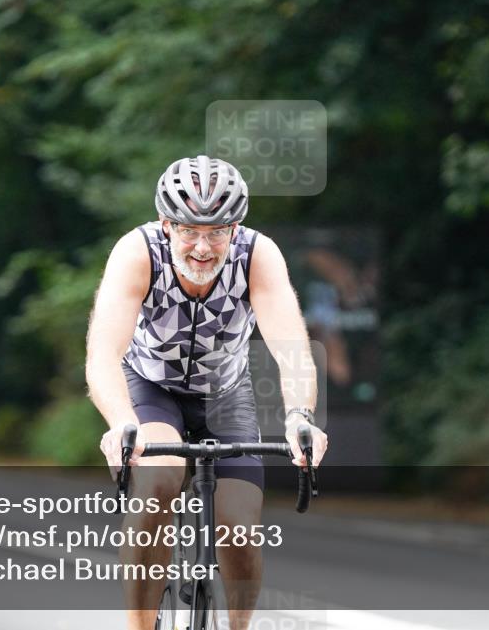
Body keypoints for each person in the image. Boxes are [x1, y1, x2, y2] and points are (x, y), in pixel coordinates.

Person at [86, 155, 329, 630]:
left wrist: (300, 415)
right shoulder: (137, 253)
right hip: (151, 387)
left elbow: (293, 349)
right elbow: (103, 354)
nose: (202, 246)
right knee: (156, 485)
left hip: (225, 393)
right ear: (166, 224)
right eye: (188, 230)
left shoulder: (258, 255)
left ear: (235, 229)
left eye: (217, 231)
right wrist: (120, 422)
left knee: (239, 525)